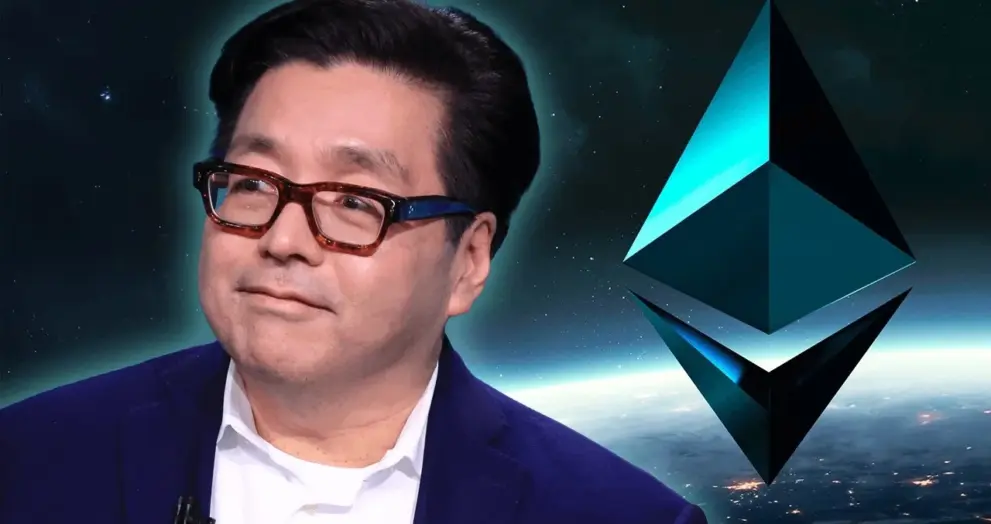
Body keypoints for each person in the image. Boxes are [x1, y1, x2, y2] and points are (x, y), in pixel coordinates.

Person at [0, 1, 708, 523]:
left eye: (353, 201)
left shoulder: (615, 515)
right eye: (252, 183)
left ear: (467, 260)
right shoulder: (28, 458)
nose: (283, 238)